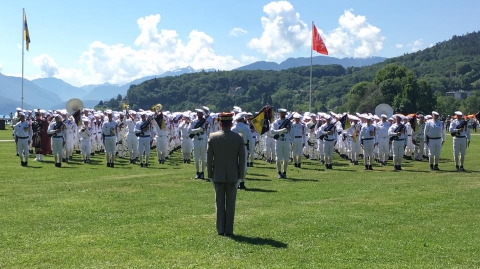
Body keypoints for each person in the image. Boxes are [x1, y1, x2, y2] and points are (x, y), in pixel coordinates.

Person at [207, 112, 245, 237]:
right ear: (231, 123)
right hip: (233, 175)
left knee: (219, 202)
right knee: (231, 203)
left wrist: (210, 175)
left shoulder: (213, 137)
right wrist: (241, 177)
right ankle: (228, 230)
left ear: (220, 123)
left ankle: (220, 229)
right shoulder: (238, 137)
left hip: (217, 174)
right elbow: (242, 159)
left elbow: (209, 159)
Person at [231, 112, 251, 189]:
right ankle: (242, 182)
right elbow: (250, 140)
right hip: (244, 147)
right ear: (243, 119)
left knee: (235, 164)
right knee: (243, 165)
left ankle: (236, 181)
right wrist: (250, 150)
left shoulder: (233, 128)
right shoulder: (246, 128)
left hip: (234, 148)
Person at [189, 109, 209, 179]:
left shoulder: (206, 122)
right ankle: (197, 172)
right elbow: (189, 131)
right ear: (197, 114)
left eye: (201, 113)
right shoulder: (194, 122)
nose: (199, 114)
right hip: (196, 140)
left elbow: (207, 132)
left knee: (203, 158)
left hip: (203, 140)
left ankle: (202, 172)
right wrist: (198, 130)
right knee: (196, 158)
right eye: (198, 113)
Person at [272, 108, 291, 178]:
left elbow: (289, 130)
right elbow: (272, 131)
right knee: (278, 158)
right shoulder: (276, 122)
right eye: (281, 113)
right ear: (279, 114)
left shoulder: (288, 122)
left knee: (286, 159)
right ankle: (279, 172)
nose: (283, 114)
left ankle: (284, 172)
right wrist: (281, 131)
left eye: (284, 113)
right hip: (279, 141)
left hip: (286, 141)